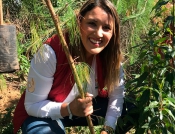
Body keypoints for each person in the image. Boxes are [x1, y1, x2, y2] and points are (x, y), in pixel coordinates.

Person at [13, 0, 128, 134]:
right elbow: (32, 106)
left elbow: (116, 97)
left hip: (83, 109)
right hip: (43, 113)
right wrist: (69, 109)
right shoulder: (51, 52)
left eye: (106, 28)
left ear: (113, 33)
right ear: (78, 23)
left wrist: (107, 130)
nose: (99, 34)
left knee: (130, 111)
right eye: (92, 23)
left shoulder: (110, 57)